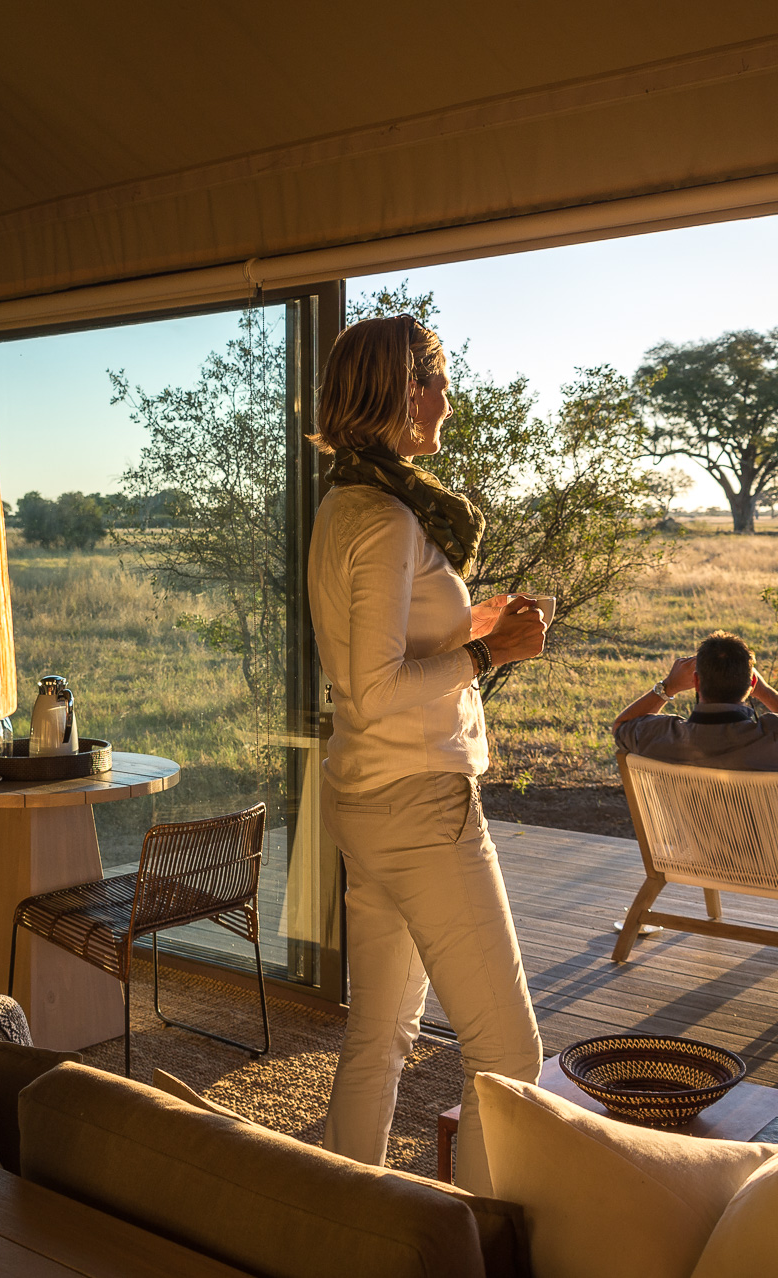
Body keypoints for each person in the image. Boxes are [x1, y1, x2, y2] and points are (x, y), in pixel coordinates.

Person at [307, 314, 547, 1195]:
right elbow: (373, 688)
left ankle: (343, 1227)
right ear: (402, 393)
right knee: (508, 1056)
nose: (448, 396)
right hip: (418, 806)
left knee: (379, 1033)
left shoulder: (350, 503)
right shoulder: (387, 518)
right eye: (436, 379)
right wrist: (490, 655)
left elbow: (375, 651)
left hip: (371, 800)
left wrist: (469, 625)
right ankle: (476, 1245)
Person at [612, 631, 778, 834]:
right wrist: (765, 691)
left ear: (697, 682)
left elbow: (621, 726)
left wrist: (667, 687)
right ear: (751, 684)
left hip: (704, 858)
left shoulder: (663, 736)